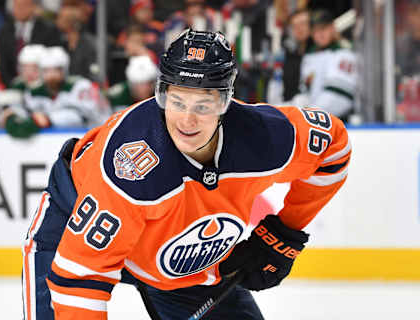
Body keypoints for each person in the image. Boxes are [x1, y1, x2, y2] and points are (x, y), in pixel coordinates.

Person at [22, 29, 351, 320]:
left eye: (203, 106)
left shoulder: (265, 137)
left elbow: (333, 147)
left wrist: (284, 231)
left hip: (178, 256)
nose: (187, 121)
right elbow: (79, 277)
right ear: (161, 94)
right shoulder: (132, 168)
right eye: (177, 101)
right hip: (73, 228)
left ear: (226, 101)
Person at [295, 9, 358, 122]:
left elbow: (338, 99)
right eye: (315, 31)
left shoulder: (345, 55)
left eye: (323, 29)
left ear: (332, 28)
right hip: (314, 122)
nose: (320, 34)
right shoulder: (309, 57)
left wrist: (308, 114)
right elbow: (305, 91)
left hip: (339, 124)